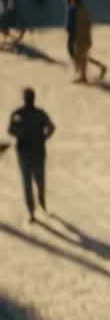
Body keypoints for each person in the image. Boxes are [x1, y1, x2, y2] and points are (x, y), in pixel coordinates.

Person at [8, 87, 54, 223]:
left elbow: (11, 130)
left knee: (29, 182)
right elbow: (51, 128)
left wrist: (21, 134)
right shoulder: (38, 114)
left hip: (26, 152)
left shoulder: (19, 114)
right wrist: (43, 138)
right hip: (35, 152)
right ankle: (35, 207)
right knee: (35, 181)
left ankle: (34, 208)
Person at [63, 0, 107, 84]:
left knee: (80, 55)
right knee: (79, 55)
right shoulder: (71, 3)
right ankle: (99, 67)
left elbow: (85, 23)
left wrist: (81, 36)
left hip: (79, 36)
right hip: (74, 34)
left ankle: (83, 76)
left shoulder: (79, 7)